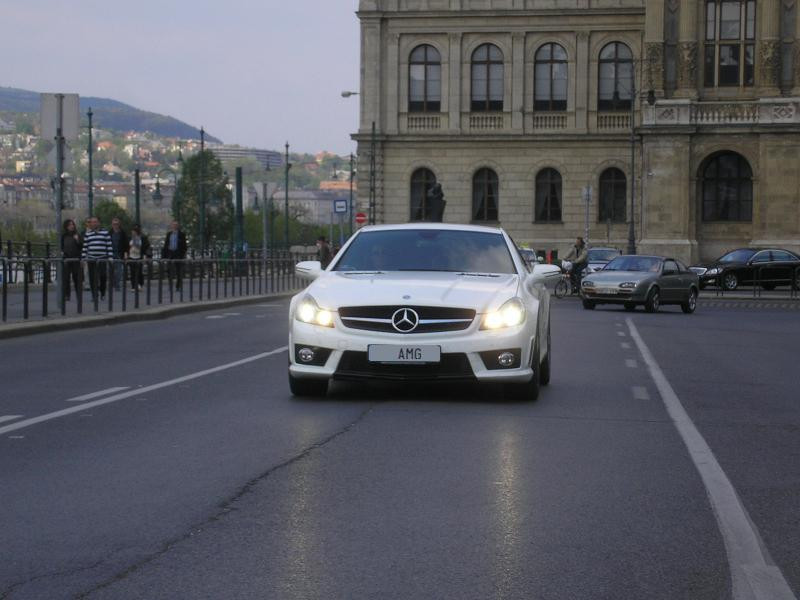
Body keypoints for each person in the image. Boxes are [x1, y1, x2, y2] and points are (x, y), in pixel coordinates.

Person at [81, 216, 113, 300]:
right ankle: (94, 295)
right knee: (92, 277)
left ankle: (102, 292)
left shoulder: (105, 233)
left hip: (102, 258)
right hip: (91, 258)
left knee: (103, 276)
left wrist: (110, 257)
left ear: (99, 223)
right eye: (92, 222)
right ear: (90, 224)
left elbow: (109, 245)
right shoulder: (88, 234)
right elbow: (85, 247)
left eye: (95, 222)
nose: (94, 223)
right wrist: (83, 258)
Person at [162, 220, 187, 291]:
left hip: (178, 254)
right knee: (169, 271)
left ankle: (178, 286)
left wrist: (182, 254)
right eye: (173, 224)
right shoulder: (169, 234)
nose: (175, 226)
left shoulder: (181, 235)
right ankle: (170, 285)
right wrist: (164, 256)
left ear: (178, 226)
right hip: (170, 254)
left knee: (179, 271)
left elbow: (184, 246)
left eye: (176, 225)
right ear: (171, 226)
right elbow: (166, 245)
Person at [61, 219, 82, 301]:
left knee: (76, 277)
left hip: (76, 258)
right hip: (66, 258)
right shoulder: (64, 236)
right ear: (66, 226)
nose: (72, 226)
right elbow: (61, 246)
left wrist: (77, 240)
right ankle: (67, 294)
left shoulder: (77, 235)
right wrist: (62, 252)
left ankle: (78, 294)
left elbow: (81, 247)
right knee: (66, 277)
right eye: (70, 225)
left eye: (73, 224)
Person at [126, 224, 151, 290]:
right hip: (131, 256)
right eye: (132, 231)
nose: (133, 232)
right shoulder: (129, 238)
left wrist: (146, 256)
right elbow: (127, 247)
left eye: (135, 231)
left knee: (139, 271)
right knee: (132, 272)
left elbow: (144, 247)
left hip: (139, 256)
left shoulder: (141, 238)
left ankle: (139, 284)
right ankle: (133, 286)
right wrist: (126, 255)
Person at [108, 217, 129, 291]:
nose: (115, 225)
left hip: (119, 254)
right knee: (110, 271)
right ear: (112, 224)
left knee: (119, 272)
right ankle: (113, 284)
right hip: (111, 254)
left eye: (117, 224)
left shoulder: (123, 233)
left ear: (119, 224)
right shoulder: (109, 233)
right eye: (114, 224)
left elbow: (126, 244)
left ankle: (116, 285)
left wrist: (126, 254)